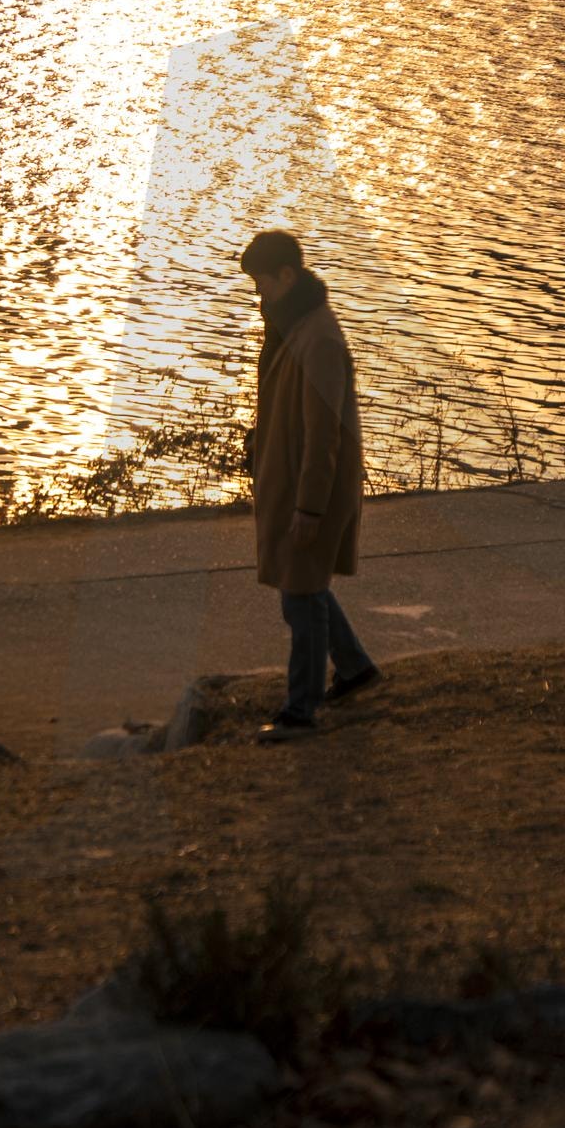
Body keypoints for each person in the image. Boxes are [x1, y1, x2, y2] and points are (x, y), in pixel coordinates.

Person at [241, 229, 377, 743]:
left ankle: (301, 710)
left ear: (287, 276)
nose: (259, 296)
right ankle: (355, 669)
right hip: (294, 484)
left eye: (263, 285)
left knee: (301, 598)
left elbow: (323, 435)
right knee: (307, 587)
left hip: (309, 491)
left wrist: (310, 508)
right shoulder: (295, 326)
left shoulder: (317, 338)